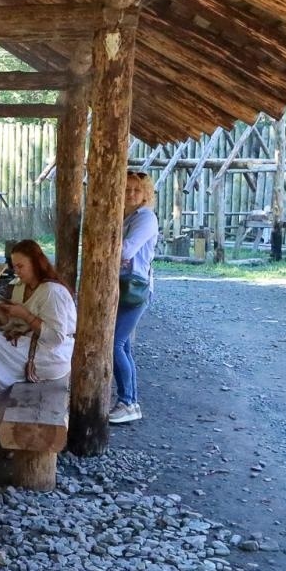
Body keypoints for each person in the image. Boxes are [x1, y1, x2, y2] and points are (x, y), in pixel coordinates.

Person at [0, 240, 76, 435]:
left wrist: (25, 315)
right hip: (29, 345)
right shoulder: (20, 287)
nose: (17, 271)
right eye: (14, 266)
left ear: (35, 263)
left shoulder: (52, 292)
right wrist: (0, 312)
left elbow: (56, 338)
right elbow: (13, 327)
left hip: (51, 355)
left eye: (21, 266)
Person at [110, 171, 159, 426]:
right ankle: (131, 401)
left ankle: (128, 401)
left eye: (136, 190)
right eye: (126, 188)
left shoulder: (145, 218)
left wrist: (104, 240)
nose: (131, 193)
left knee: (113, 344)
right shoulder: (126, 217)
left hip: (135, 288)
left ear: (145, 194)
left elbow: (127, 250)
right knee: (124, 345)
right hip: (122, 285)